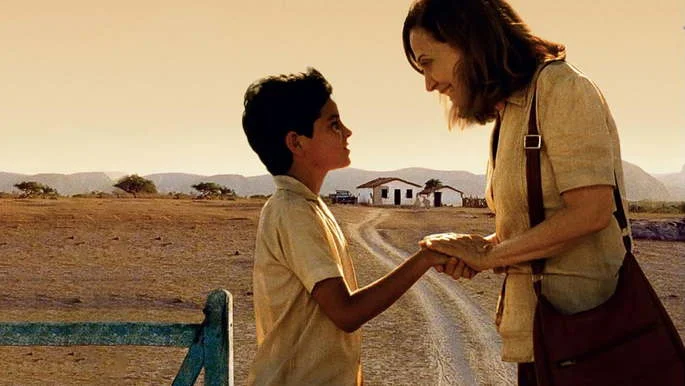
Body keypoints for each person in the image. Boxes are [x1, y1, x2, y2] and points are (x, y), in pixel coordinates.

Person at [402, 0, 629, 384]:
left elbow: (591, 212)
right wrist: (476, 248)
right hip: (543, 339)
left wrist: (488, 255)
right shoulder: (511, 113)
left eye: (427, 62)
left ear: (470, 43)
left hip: (589, 339)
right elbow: (538, 224)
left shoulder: (563, 89)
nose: (429, 83)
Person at [241, 67, 452, 386]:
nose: (348, 133)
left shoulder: (307, 205)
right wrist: (425, 258)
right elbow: (346, 313)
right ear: (296, 143)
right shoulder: (293, 210)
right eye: (334, 125)